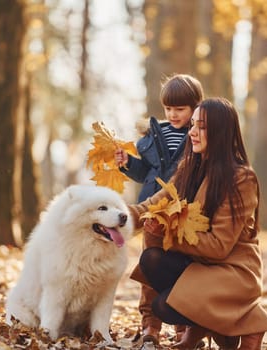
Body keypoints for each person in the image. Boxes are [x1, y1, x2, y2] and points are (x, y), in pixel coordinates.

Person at [127, 98, 267, 350]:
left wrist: (170, 232)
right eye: (192, 126)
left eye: (201, 126)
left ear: (221, 132)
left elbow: (218, 247)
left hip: (231, 272)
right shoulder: (190, 168)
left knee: (163, 306)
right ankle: (213, 329)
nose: (191, 132)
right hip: (202, 266)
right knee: (151, 260)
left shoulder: (242, 178)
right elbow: (151, 205)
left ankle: (251, 323)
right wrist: (111, 216)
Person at [115, 73, 204, 346]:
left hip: (183, 213)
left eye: (180, 109)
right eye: (169, 109)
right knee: (150, 270)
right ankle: (150, 327)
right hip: (153, 212)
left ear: (194, 108)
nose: (173, 114)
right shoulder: (155, 135)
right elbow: (147, 173)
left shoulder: (198, 135)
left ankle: (182, 328)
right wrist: (127, 163)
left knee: (180, 270)